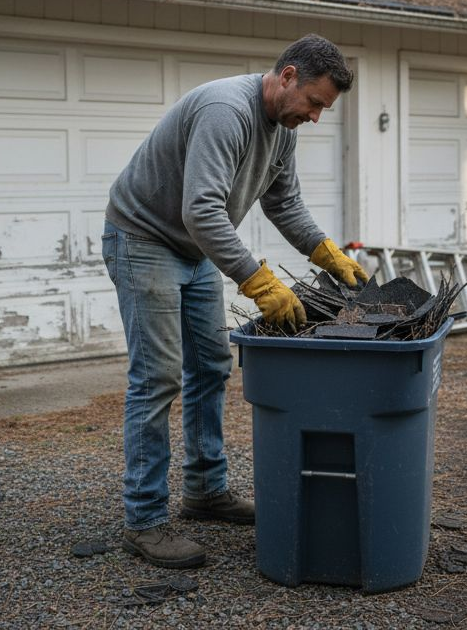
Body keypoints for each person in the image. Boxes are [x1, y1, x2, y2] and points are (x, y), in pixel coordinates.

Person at [101, 34, 369, 569]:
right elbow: (201, 209)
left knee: (211, 365)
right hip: (145, 238)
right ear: (288, 75)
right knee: (157, 377)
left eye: (325, 109)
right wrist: (260, 282)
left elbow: (285, 204)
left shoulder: (282, 132)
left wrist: (327, 253)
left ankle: (205, 490)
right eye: (315, 102)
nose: (316, 117)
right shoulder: (228, 110)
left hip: (193, 249)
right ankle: (145, 520)